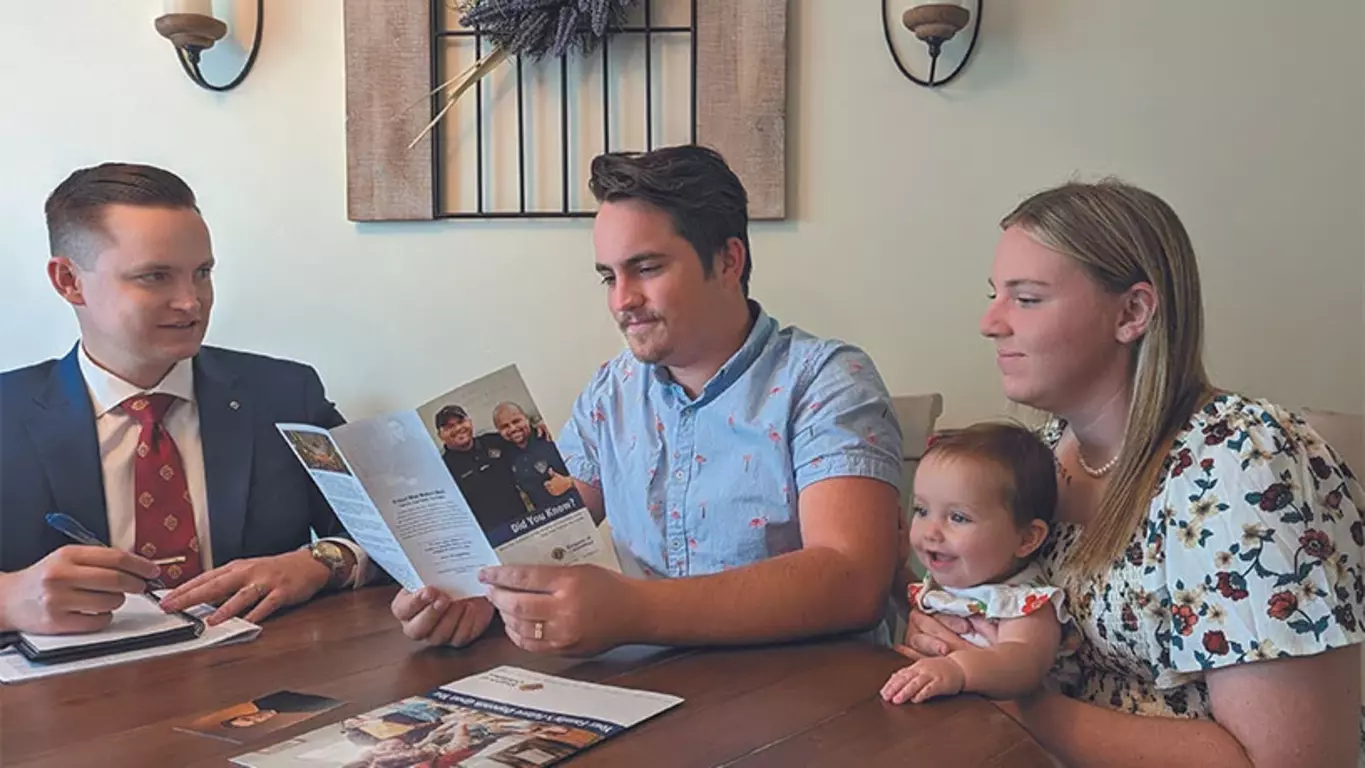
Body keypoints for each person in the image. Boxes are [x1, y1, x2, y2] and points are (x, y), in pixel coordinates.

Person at [900, 179, 1365, 766]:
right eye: (996, 294)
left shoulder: (1244, 462)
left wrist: (1006, 695)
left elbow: (1288, 762)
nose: (991, 322)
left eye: (1027, 298)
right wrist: (950, 625)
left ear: (1132, 312)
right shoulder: (1041, 455)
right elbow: (1008, 606)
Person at [393, 144, 904, 655]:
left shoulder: (826, 381)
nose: (622, 301)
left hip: (809, 702)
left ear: (728, 261)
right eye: (608, 277)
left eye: (647, 268)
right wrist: (479, 594)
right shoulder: (609, 392)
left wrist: (633, 611)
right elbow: (553, 531)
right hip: (646, 691)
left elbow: (852, 578)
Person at [0, 162, 375, 635]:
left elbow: (389, 534)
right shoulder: (7, 414)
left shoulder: (285, 395)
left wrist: (318, 563)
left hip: (260, 677)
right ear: (69, 281)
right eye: (155, 276)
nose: (191, 302)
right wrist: (9, 598)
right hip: (67, 695)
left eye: (202, 272)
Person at [880, 422, 1070, 705]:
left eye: (958, 517)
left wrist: (958, 669)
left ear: (1027, 538)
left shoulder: (1023, 603)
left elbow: (1024, 664)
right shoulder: (959, 581)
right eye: (921, 510)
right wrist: (896, 575)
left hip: (1006, 733)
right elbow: (927, 618)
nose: (931, 531)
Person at [435, 404, 529, 531]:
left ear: (470, 422)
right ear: (440, 435)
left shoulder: (494, 441)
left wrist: (540, 428)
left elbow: (524, 440)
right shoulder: (441, 471)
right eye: (449, 427)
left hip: (524, 523)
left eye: (461, 421)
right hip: (490, 538)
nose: (457, 428)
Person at [491, 401, 582, 516]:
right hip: (547, 520)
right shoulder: (505, 452)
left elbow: (596, 469)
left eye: (516, 421)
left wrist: (569, 482)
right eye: (504, 426)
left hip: (579, 509)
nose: (512, 428)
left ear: (526, 419)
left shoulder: (552, 436)